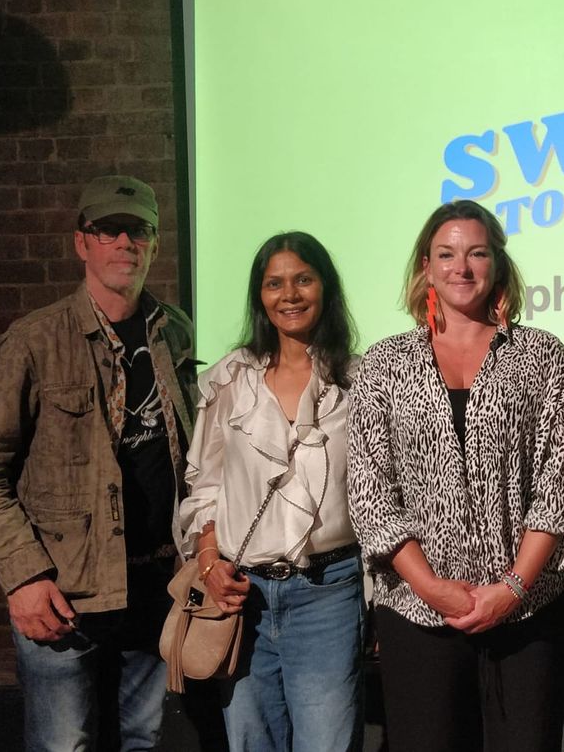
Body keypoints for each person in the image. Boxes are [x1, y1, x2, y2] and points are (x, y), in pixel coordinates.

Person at [0, 176, 196, 751]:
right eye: (107, 230)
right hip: (66, 596)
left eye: (137, 230)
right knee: (65, 745)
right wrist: (23, 579)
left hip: (154, 589)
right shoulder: (34, 340)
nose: (124, 242)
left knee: (141, 739)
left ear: (155, 244)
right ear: (81, 243)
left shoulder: (175, 331)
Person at [347, 199, 564, 752]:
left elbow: (560, 482)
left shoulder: (542, 356)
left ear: (497, 263)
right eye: (446, 254)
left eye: (477, 253)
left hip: (527, 607)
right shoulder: (384, 365)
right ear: (425, 266)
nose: (462, 268)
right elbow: (370, 490)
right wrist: (432, 590)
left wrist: (512, 588)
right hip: (415, 609)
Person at [179, 232, 364, 752]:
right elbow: (204, 484)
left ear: (325, 287)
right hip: (242, 596)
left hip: (329, 592)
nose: (290, 294)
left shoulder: (360, 379)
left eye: (303, 279)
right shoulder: (230, 380)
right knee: (251, 742)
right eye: (274, 283)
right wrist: (211, 562)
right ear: (259, 296)